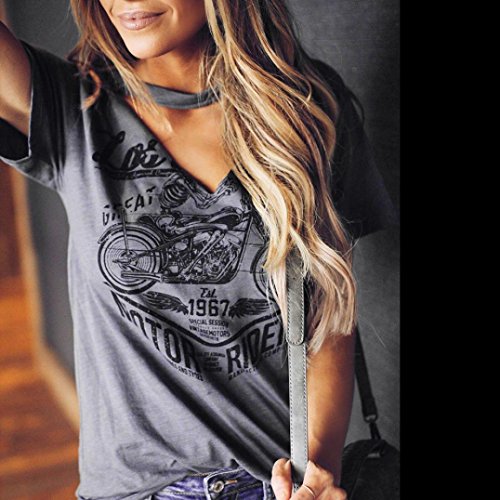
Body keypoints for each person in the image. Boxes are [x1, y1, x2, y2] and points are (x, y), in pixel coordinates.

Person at [0, 1, 399, 499]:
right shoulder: (73, 107)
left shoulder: (304, 109)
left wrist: (317, 473)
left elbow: (328, 322)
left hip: (273, 484)